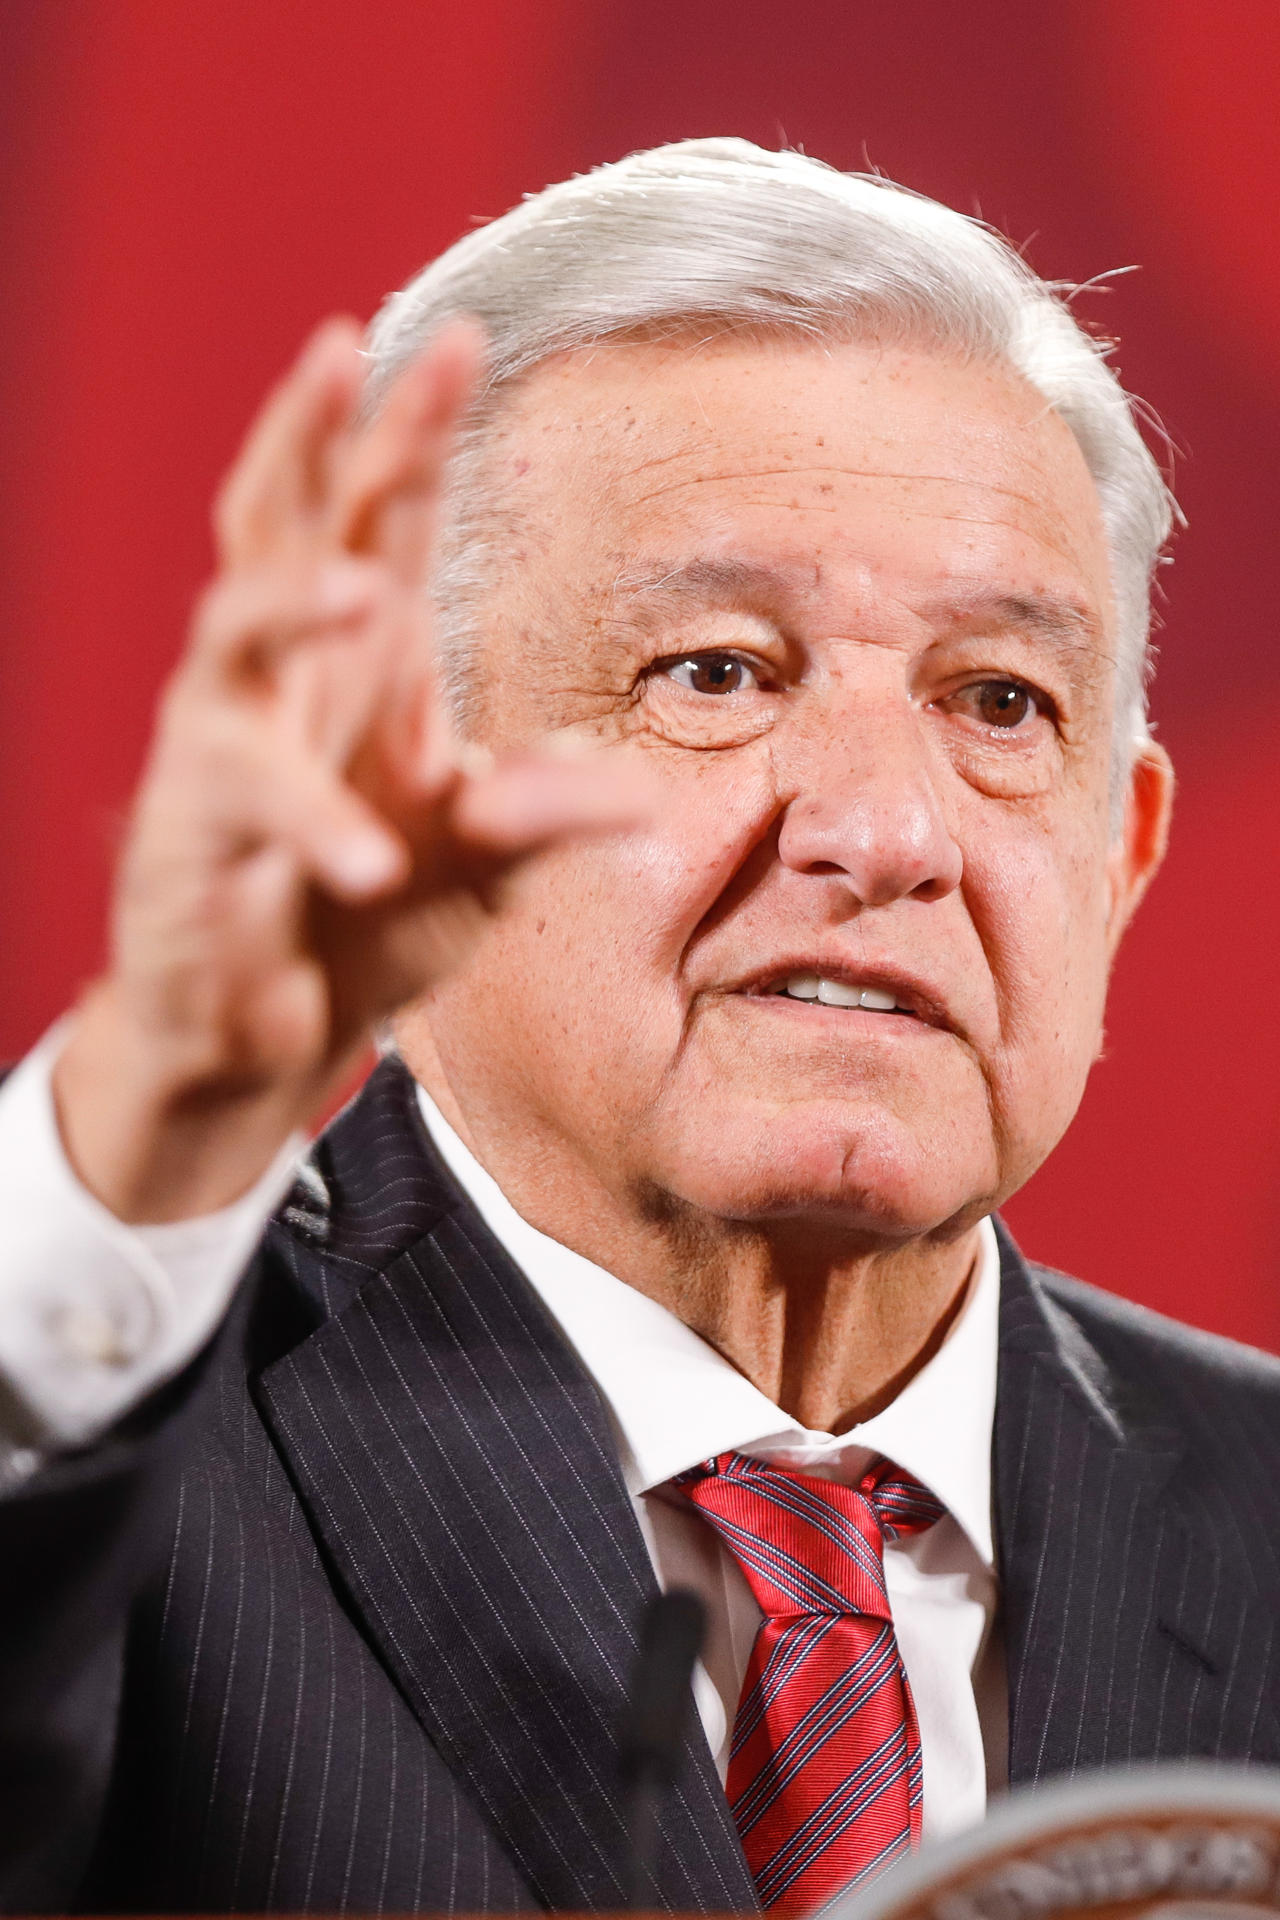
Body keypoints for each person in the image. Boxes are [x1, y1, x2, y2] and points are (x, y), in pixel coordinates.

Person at [3, 137, 1280, 1918]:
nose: (887, 831)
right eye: (717, 674)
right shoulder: (98, 1449)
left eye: (1000, 701)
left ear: (1122, 854)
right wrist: (133, 1134)